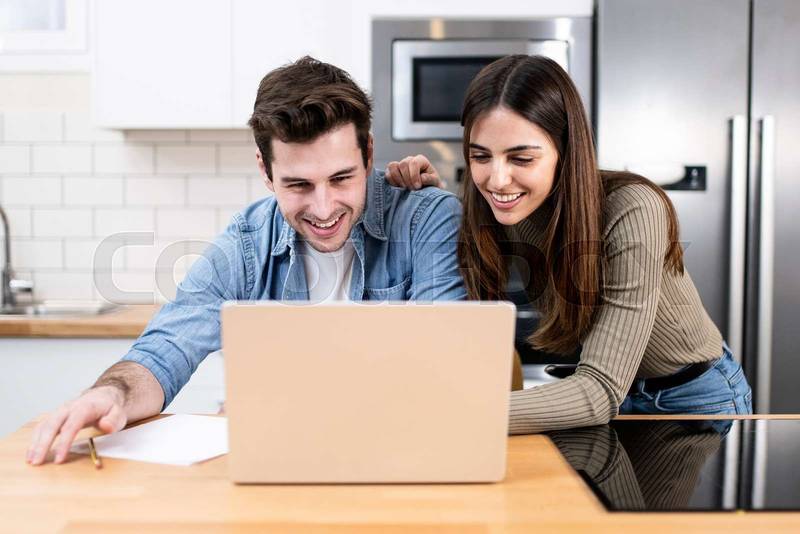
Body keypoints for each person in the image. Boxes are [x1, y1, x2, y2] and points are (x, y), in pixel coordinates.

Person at [26, 57, 466, 465]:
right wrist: (113, 394)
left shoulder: (425, 219)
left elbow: (445, 368)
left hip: (395, 459)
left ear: (368, 154)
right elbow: (166, 348)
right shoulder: (247, 241)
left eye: (341, 178)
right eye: (298, 185)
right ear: (264, 169)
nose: (324, 207)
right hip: (280, 465)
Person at [387, 54, 752, 433]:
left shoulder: (633, 207)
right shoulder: (503, 204)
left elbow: (599, 391)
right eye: (481, 156)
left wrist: (450, 412)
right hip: (607, 394)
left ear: (566, 150)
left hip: (689, 397)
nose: (496, 180)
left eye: (521, 158)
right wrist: (432, 201)